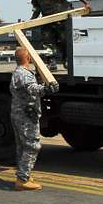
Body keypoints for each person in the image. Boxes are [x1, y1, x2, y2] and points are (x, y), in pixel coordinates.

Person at [10, 47, 59, 191]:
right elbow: (32, 89)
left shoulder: (17, 73)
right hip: (26, 115)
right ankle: (22, 179)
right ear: (28, 59)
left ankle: (23, 174)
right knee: (32, 145)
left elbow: (29, 89)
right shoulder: (24, 74)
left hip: (19, 113)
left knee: (22, 146)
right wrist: (47, 89)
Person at [30, 0, 91, 68]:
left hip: (63, 18)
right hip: (48, 19)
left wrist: (86, 3)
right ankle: (51, 62)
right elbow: (36, 9)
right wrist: (31, 21)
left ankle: (67, 59)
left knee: (64, 39)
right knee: (47, 40)